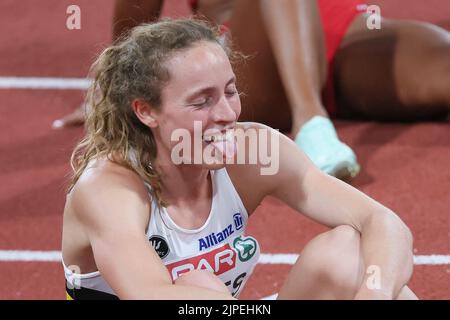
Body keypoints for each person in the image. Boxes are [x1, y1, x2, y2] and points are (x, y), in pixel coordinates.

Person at [61, 19, 417, 300]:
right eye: (202, 101)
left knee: (349, 255)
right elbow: (149, 294)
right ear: (146, 111)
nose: (227, 114)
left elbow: (381, 221)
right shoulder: (108, 190)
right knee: (202, 289)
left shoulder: (253, 152)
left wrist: (376, 290)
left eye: (230, 91)